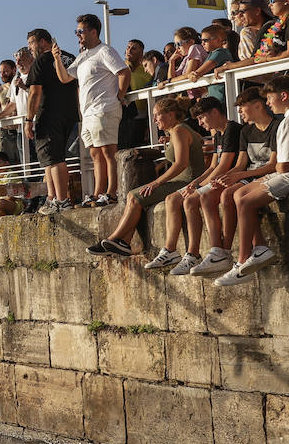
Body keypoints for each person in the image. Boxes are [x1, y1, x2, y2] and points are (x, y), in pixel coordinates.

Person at [86, 97, 204, 258]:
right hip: (185, 179)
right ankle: (122, 242)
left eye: (157, 115)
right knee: (133, 196)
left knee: (134, 196)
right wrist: (170, 141)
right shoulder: (180, 130)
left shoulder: (179, 131)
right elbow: (199, 140)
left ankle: (115, 239)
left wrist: (156, 183)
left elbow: (181, 164)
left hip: (187, 181)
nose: (154, 120)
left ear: (170, 115)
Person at [145, 96, 240, 273]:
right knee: (175, 199)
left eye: (201, 117)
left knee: (190, 200)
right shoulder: (218, 134)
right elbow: (213, 166)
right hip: (216, 179)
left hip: (229, 180)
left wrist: (197, 185)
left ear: (214, 112)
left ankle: (204, 252)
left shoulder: (232, 129)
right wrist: (197, 182)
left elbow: (224, 166)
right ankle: (180, 252)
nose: (200, 122)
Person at [218, 74, 289, 286]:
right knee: (239, 194)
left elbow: (283, 166)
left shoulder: (284, 123)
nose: (268, 103)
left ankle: (242, 262)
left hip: (285, 174)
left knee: (245, 200)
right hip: (282, 172)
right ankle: (259, 249)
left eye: (270, 98)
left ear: (283, 96)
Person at [53, 14, 130, 207]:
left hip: (104, 108)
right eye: (76, 32)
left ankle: (112, 192)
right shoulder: (83, 56)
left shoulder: (105, 51)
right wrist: (56, 58)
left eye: (81, 31)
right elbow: (64, 78)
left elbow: (123, 72)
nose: (78, 35)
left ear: (93, 32)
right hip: (88, 113)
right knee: (95, 154)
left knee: (108, 152)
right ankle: (98, 192)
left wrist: (119, 96)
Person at [25, 29, 80, 215]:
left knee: (55, 159)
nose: (29, 49)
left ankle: (62, 200)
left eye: (31, 44)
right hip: (70, 114)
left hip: (49, 114)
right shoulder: (70, 57)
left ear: (42, 42)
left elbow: (34, 92)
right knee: (50, 159)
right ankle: (53, 198)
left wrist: (28, 119)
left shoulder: (41, 61)